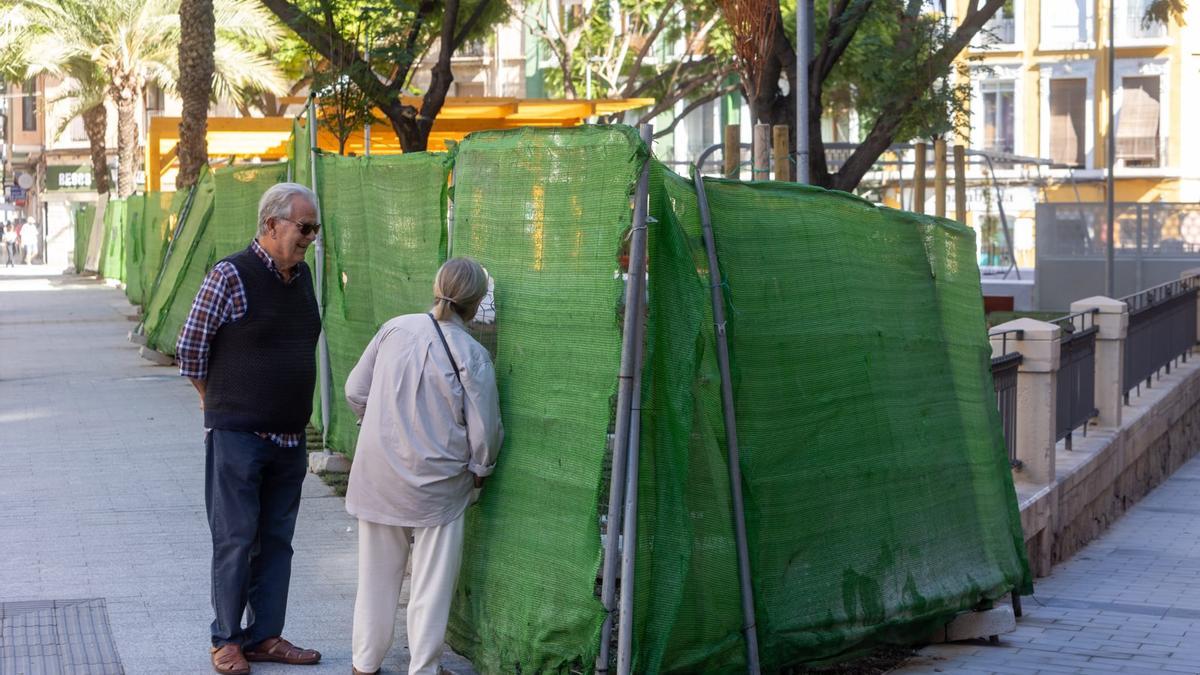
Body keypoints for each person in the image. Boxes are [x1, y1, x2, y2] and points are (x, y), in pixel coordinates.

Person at [176, 182, 324, 675]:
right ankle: (227, 639)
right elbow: (191, 346)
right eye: (304, 228)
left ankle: (265, 637)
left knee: (278, 540)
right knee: (236, 538)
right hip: (238, 435)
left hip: (289, 437)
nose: (309, 238)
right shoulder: (231, 275)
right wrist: (214, 403)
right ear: (271, 224)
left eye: (314, 229)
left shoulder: (301, 278)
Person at [344, 257, 503, 675]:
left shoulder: (394, 328)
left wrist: (377, 424)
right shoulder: (474, 354)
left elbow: (354, 390)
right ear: (478, 301)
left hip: (378, 473)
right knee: (431, 583)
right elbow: (485, 433)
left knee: (375, 575)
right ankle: (424, 668)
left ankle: (364, 664)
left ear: (435, 286)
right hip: (439, 483)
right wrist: (480, 472)